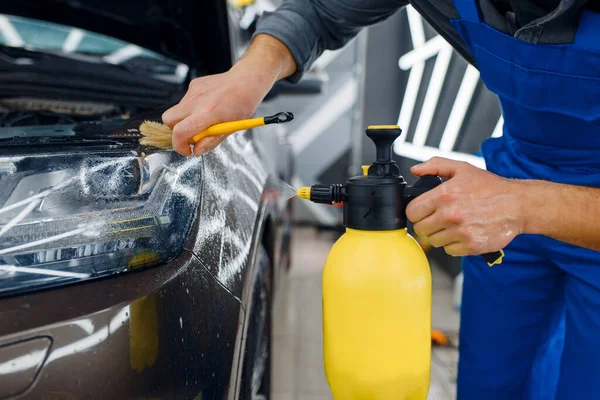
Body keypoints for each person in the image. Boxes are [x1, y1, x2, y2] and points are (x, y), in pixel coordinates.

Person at [162, 0, 600, 398]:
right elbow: (318, 11)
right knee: (489, 383)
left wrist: (525, 205)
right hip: (510, 179)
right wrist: (247, 77)